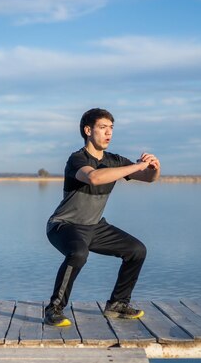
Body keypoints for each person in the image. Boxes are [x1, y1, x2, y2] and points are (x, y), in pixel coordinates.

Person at [44, 108, 161, 327]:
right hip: (64, 225)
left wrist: (154, 167)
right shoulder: (77, 159)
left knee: (137, 250)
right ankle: (54, 309)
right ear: (88, 130)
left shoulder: (115, 160)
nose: (109, 133)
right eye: (103, 127)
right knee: (78, 253)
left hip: (94, 227)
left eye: (111, 128)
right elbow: (95, 178)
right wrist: (134, 166)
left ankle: (117, 304)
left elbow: (148, 178)